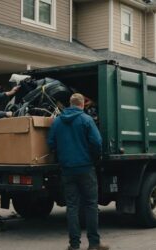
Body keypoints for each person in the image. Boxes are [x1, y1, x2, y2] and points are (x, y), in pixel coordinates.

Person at [47, 93, 109, 250]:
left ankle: (74, 245)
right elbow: (97, 142)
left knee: (72, 207)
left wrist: (62, 156)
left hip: (67, 170)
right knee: (90, 205)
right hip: (86, 168)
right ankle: (94, 243)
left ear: (69, 104)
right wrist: (94, 159)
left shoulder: (58, 121)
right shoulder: (86, 119)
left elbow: (51, 143)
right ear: (82, 105)